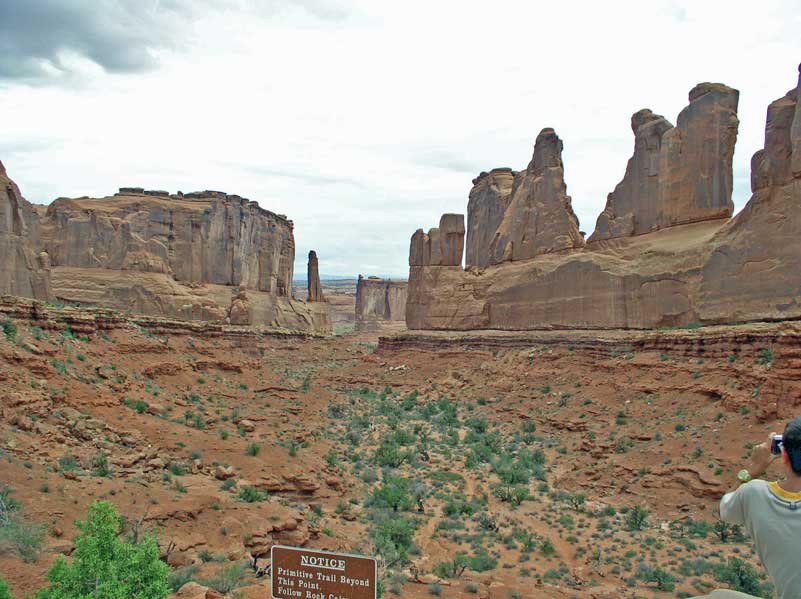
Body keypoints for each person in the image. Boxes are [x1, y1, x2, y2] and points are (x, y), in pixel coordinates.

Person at [716, 416, 801, 599]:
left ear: (784, 455)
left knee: (718, 595)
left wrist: (754, 468)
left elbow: (724, 509)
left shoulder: (753, 493)